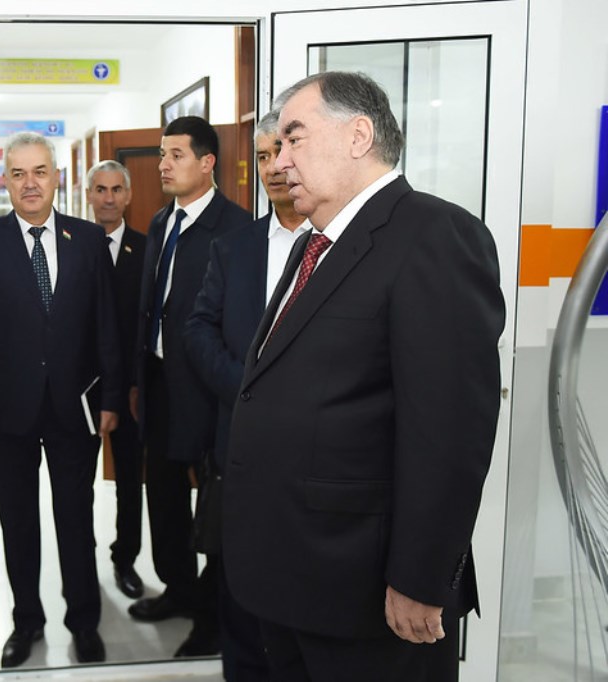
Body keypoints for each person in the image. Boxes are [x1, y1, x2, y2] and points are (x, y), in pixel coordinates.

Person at [224, 71, 504, 682]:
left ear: (358, 135)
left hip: (368, 590)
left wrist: (421, 578)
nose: (280, 160)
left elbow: (450, 432)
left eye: (294, 138)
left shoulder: (434, 235)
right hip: (292, 575)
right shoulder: (314, 245)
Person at [0, 131, 123, 668]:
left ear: (56, 177)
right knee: (18, 524)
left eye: (39, 172)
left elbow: (107, 324)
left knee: (77, 521)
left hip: (75, 409)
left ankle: (84, 622)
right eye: (18, 174)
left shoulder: (88, 238)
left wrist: (111, 398)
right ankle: (26, 620)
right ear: (5, 181)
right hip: (8, 414)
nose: (30, 183)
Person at [185, 109, 309, 681]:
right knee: (239, 595)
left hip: (311, 459)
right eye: (262, 156)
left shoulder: (341, 245)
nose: (275, 166)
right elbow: (198, 329)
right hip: (237, 446)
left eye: (283, 151)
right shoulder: (235, 247)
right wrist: (246, 389)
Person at [131, 116, 250, 657]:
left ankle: (213, 616)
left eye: (176, 155)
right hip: (160, 384)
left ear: (207, 163)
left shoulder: (237, 230)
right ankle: (178, 589)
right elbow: (150, 308)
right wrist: (138, 379)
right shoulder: (161, 222)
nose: (164, 164)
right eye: (162, 154)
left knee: (218, 506)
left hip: (208, 389)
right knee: (164, 497)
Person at [85, 159, 148, 601]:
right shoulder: (72, 245)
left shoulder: (148, 250)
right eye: (101, 189)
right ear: (90, 195)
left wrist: (139, 383)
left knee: (129, 482)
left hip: (130, 390)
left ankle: (125, 559)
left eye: (116, 189)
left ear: (128, 195)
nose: (108, 198)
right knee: (78, 486)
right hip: (83, 391)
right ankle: (82, 563)